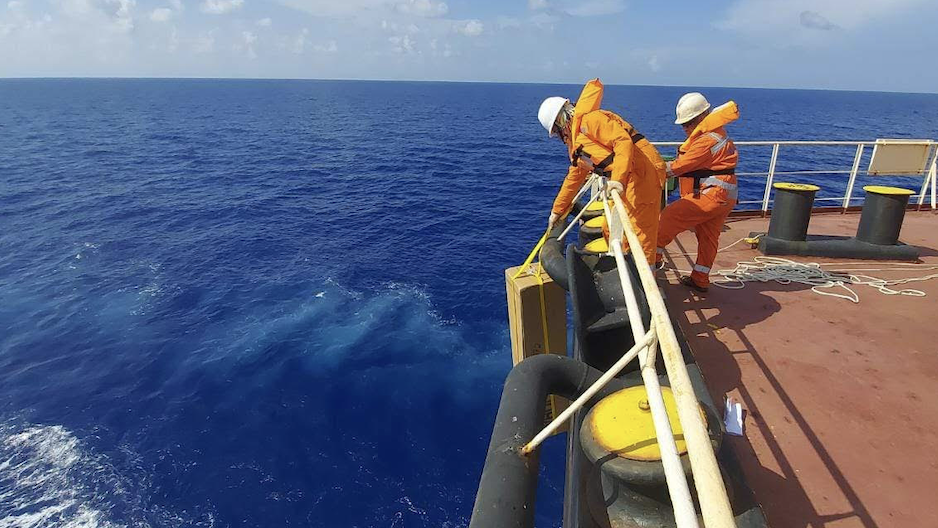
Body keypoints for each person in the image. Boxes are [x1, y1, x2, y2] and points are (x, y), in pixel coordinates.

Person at [538, 79, 666, 265]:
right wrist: (557, 210)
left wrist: (618, 180)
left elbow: (622, 141)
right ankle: (624, 268)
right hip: (627, 180)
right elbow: (575, 176)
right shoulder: (577, 140)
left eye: (556, 132)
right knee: (610, 229)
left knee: (640, 236)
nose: (559, 137)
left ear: (560, 123)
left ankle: (644, 278)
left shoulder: (591, 120)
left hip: (643, 176)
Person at [655, 92, 740, 292]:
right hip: (725, 196)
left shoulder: (706, 140)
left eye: (689, 123)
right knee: (708, 238)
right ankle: (700, 279)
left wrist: (646, 171)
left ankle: (650, 268)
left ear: (702, 117)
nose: (686, 128)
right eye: (683, 125)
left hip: (711, 195)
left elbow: (678, 167)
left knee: (665, 220)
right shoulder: (718, 134)